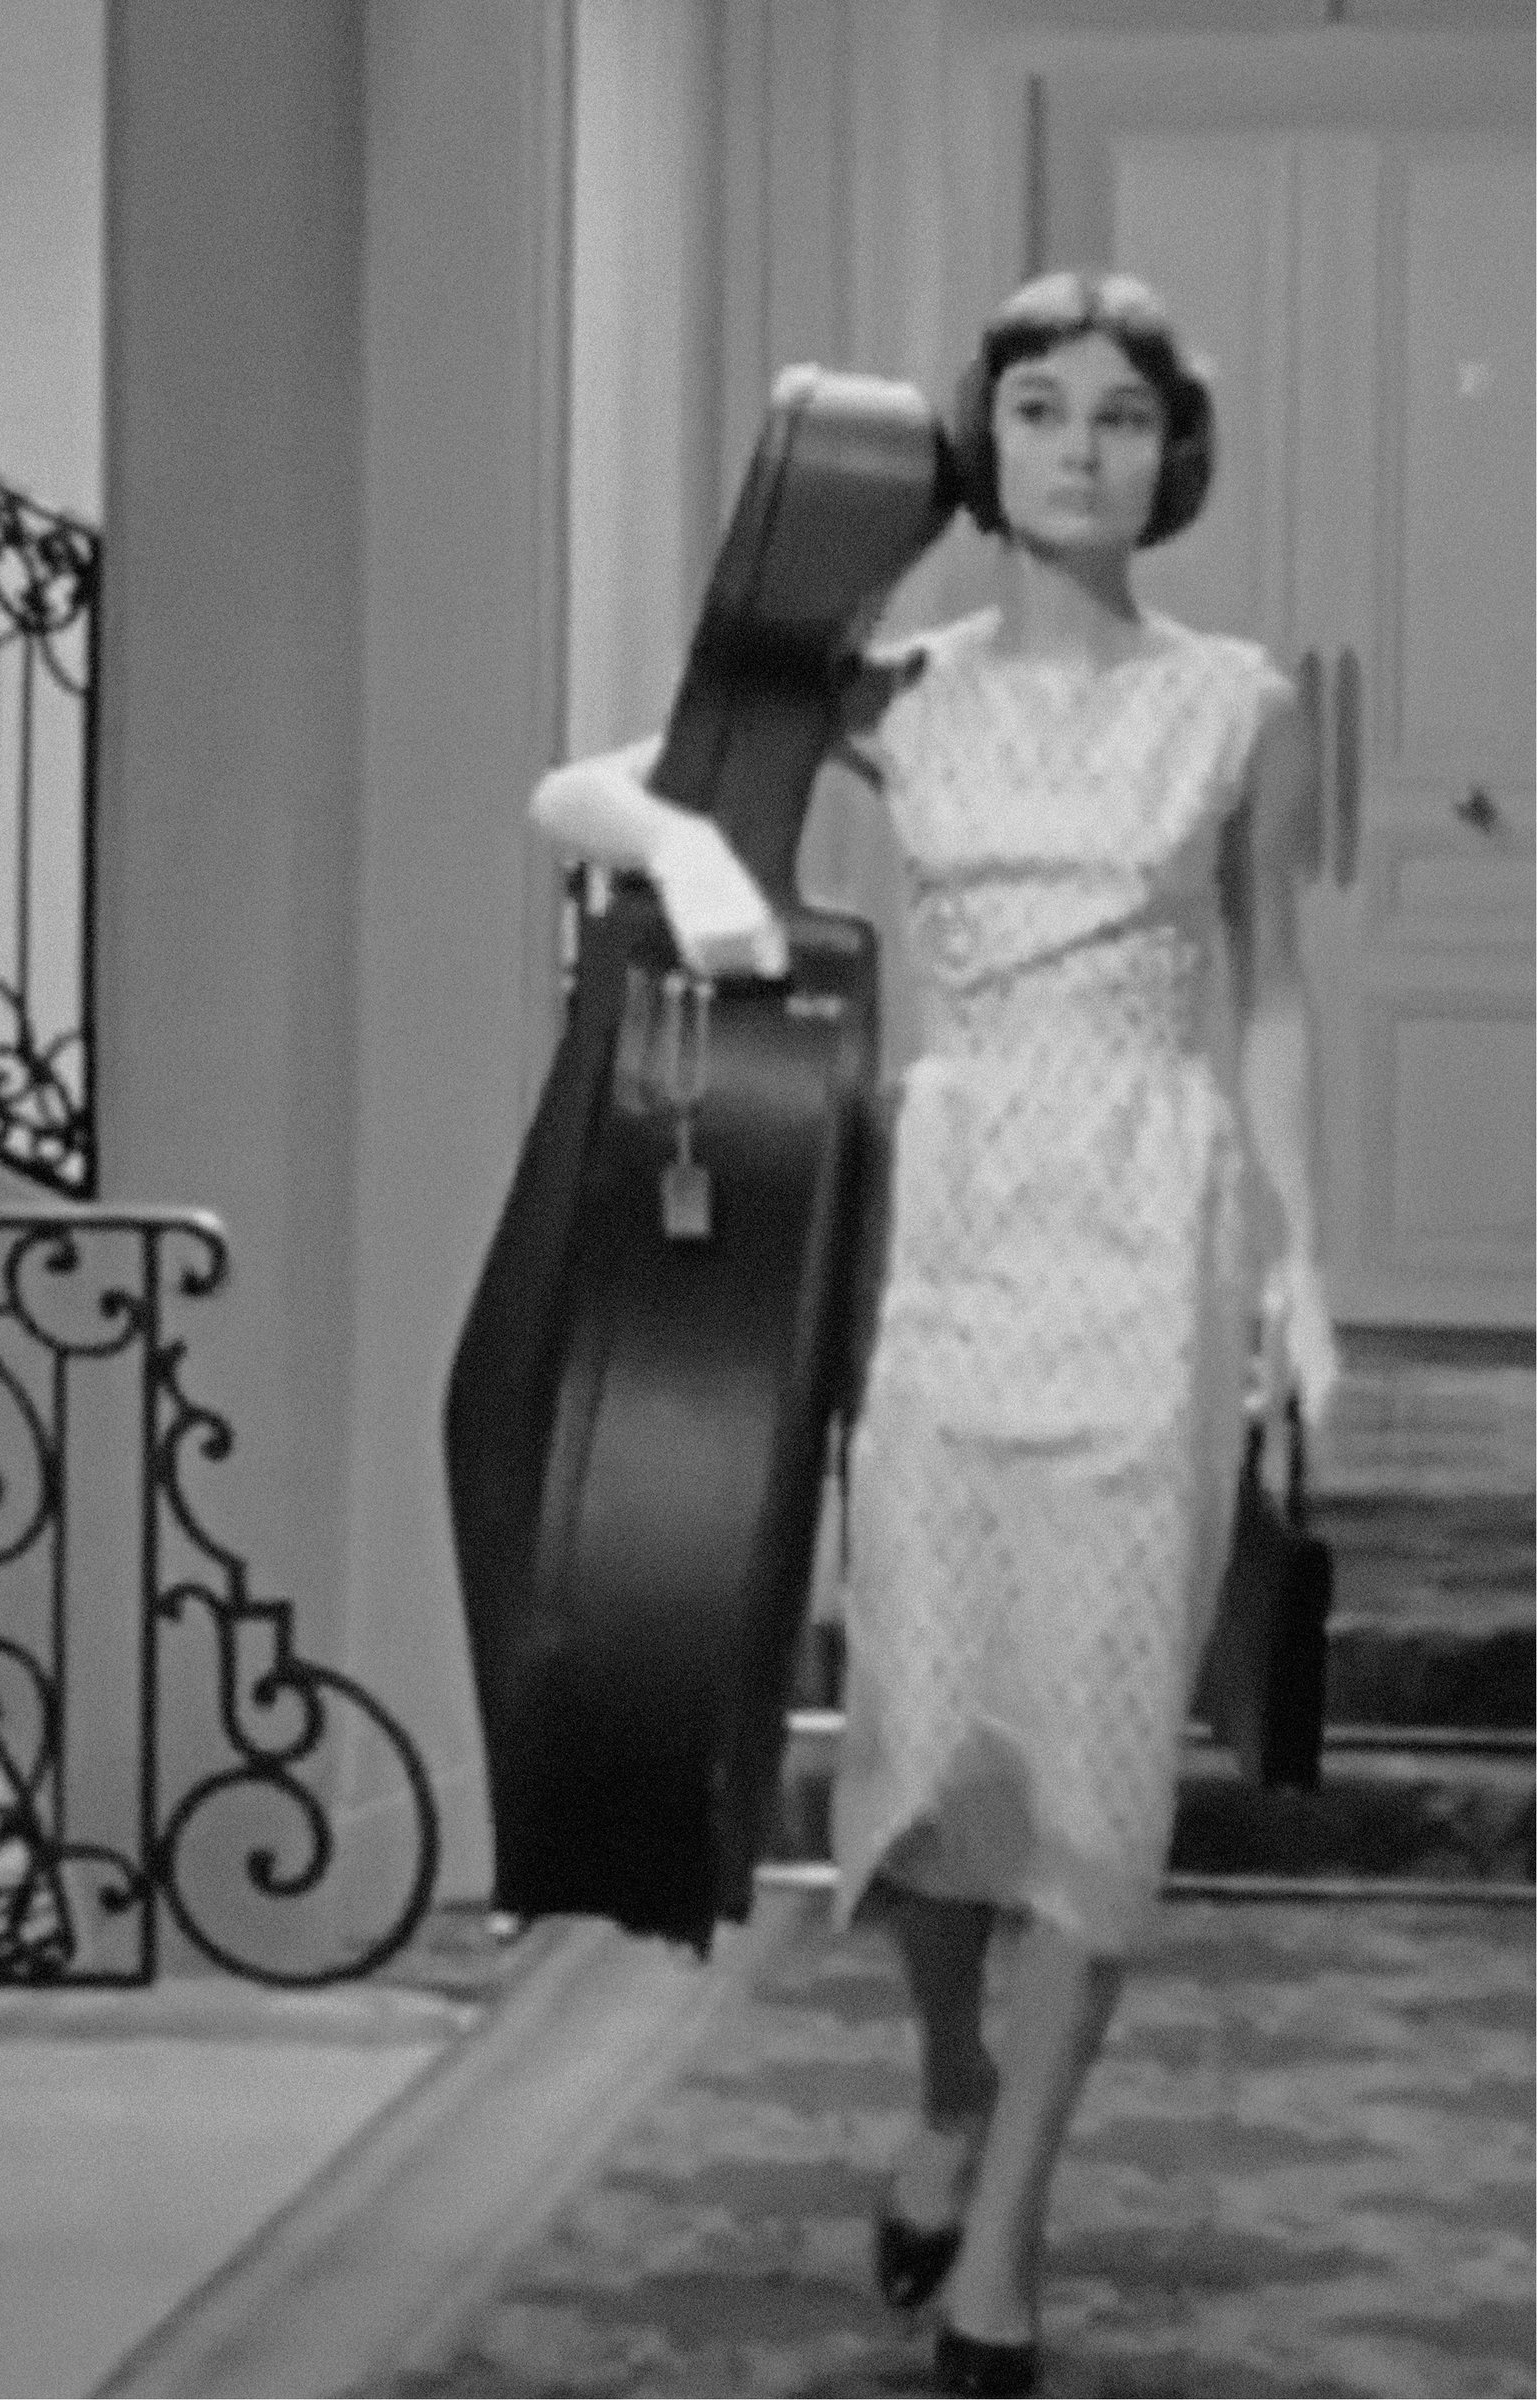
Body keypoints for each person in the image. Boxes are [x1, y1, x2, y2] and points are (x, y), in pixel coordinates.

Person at [529, 268, 1339, 2399]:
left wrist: (1297, 1263)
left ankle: (1005, 2238)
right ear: (985, 451)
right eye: (1043, 412)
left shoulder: (1248, 705)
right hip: (946, 1222)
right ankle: (949, 2078)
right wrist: (699, 871)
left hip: (1145, 1226)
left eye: (1124, 418)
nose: (1083, 450)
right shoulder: (889, 693)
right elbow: (580, 793)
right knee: (928, 1721)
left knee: (1089, 1739)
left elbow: (1262, 993)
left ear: (1176, 456)